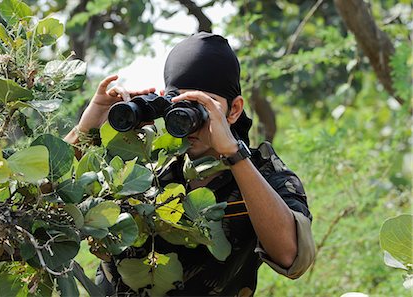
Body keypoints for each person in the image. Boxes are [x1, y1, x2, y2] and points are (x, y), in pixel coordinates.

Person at [65, 32, 315, 296]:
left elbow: (291, 257)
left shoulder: (264, 174)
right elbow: (41, 204)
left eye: (204, 106)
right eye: (181, 104)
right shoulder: (142, 165)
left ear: (234, 110)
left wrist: (234, 154)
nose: (191, 120)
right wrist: (85, 129)